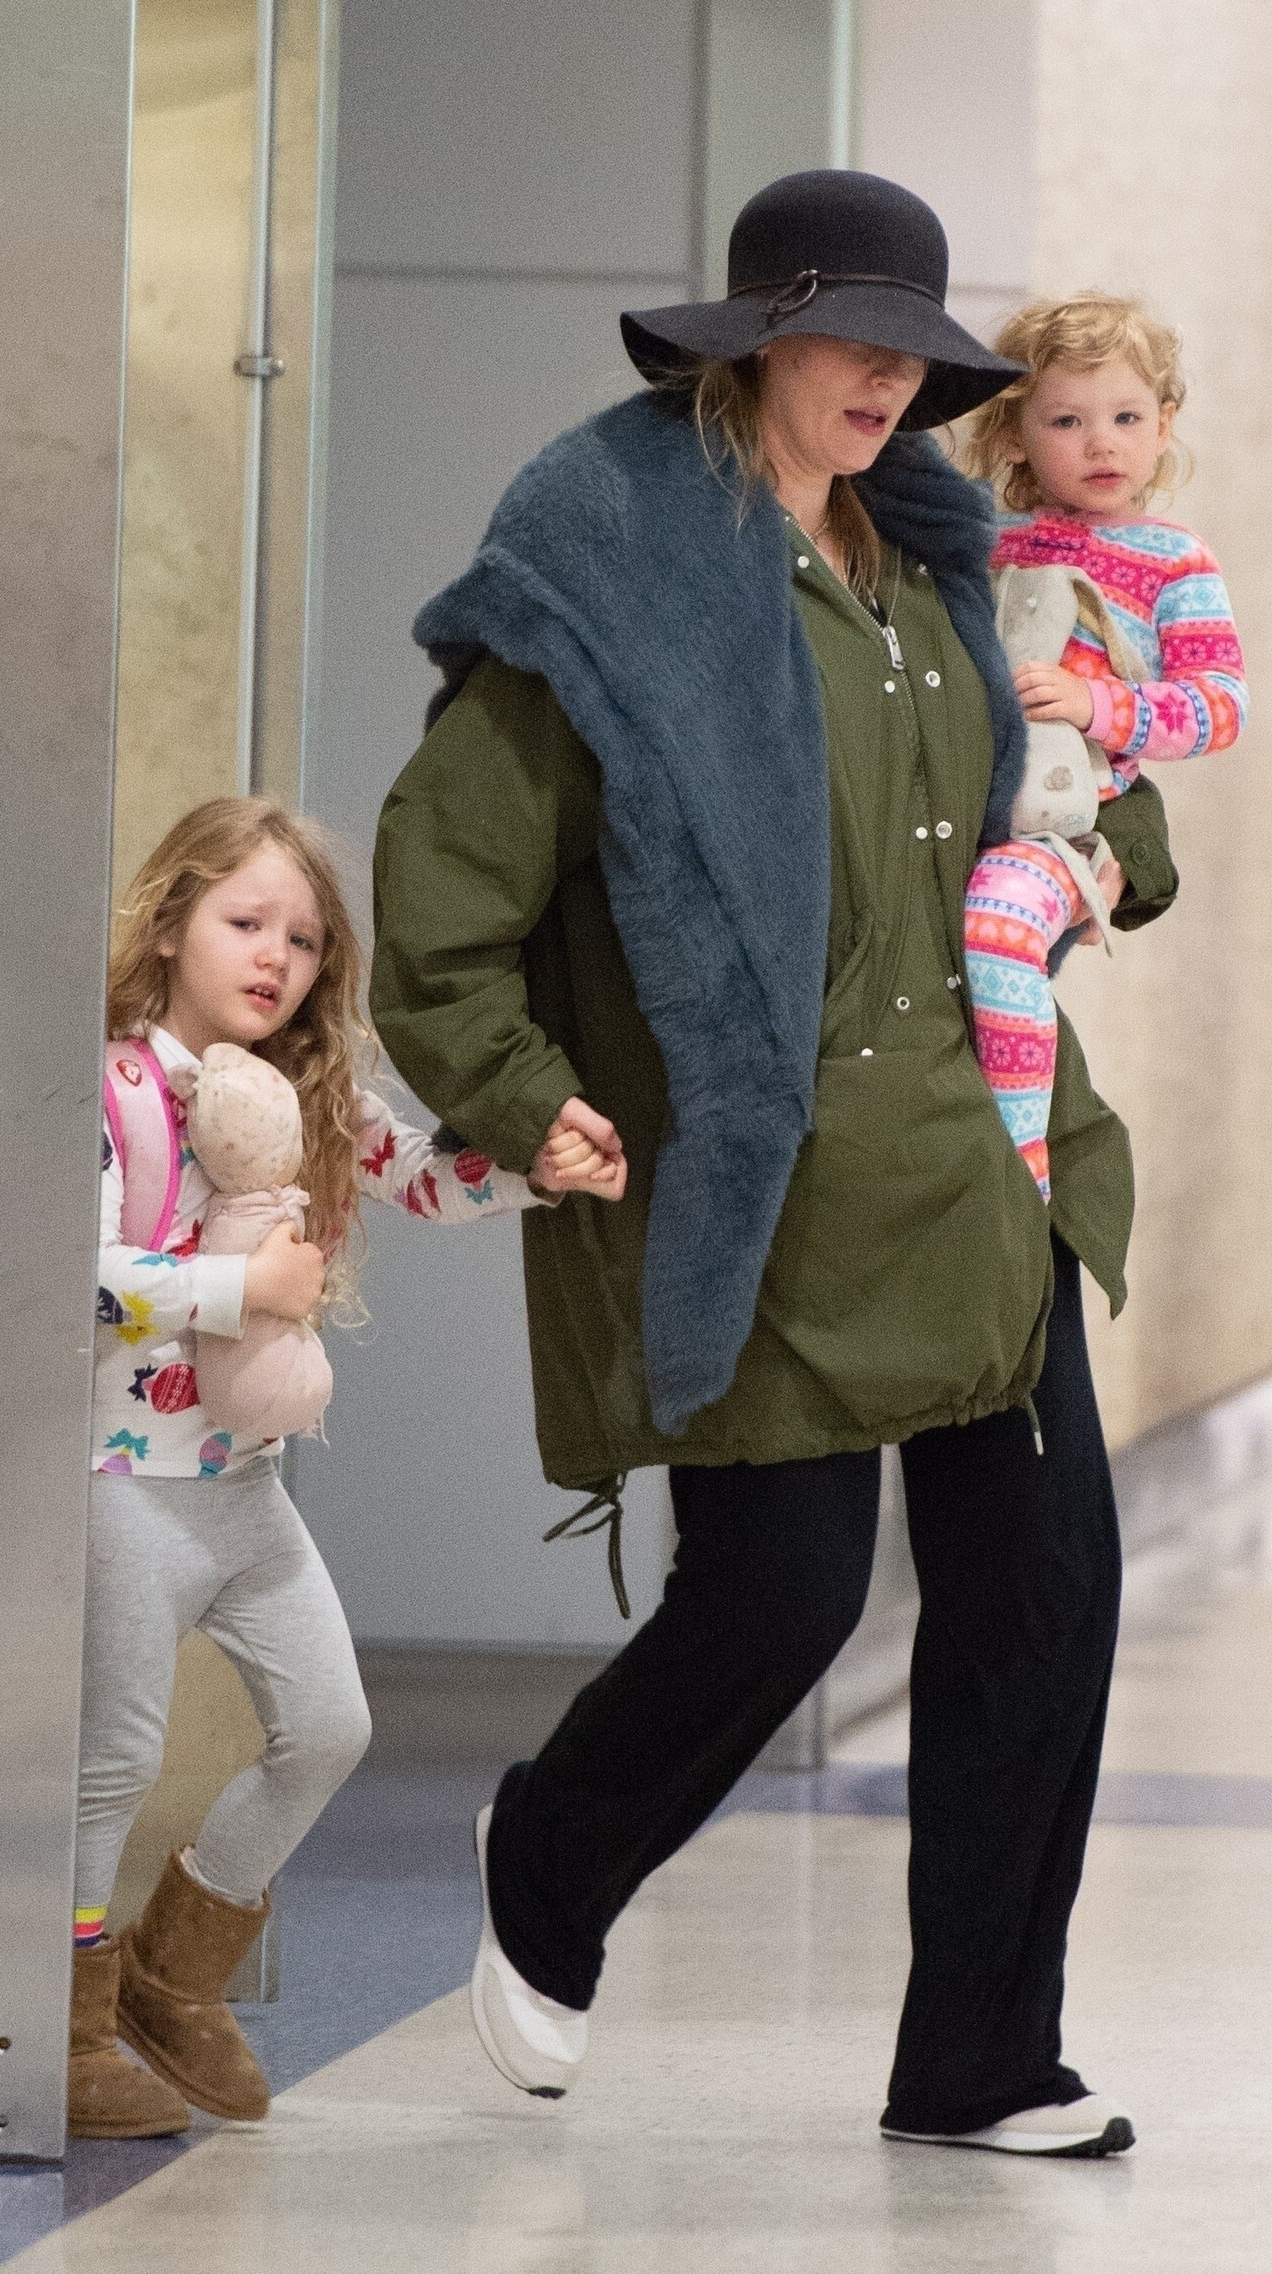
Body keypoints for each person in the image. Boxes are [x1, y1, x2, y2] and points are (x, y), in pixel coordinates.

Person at [371, 171, 1181, 2156]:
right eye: (850, 340)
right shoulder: (618, 572)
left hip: (980, 1149)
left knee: (1042, 1599)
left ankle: (981, 2057)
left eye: (914, 351)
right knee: (782, 1597)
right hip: (766, 1169)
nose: (888, 381)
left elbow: (1071, 795)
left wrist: (1111, 851)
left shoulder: (945, 563)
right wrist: (510, 1088)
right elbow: (444, 892)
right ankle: (552, 1852)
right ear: (751, 344)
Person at [72, 796, 606, 2141]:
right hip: (122, 1486)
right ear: (170, 921)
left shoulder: (306, 1094)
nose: (276, 959)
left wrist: (537, 1169)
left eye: (304, 940)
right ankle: (64, 2021)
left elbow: (420, 1174)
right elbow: (77, 1275)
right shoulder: (113, 1089)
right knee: (111, 1760)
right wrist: (236, 1288)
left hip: (243, 1490)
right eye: (245, 922)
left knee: (330, 1728)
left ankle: (170, 1976)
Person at [961, 293, 1247, 1196]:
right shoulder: (980, 539)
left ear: (1165, 424)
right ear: (1013, 435)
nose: (1101, 444)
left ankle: (1021, 1172)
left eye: (1126, 418)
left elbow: (1220, 707)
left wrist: (1099, 704)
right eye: (1067, 421)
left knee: (997, 931)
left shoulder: (1174, 560)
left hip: (1072, 823)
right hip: (961, 810)